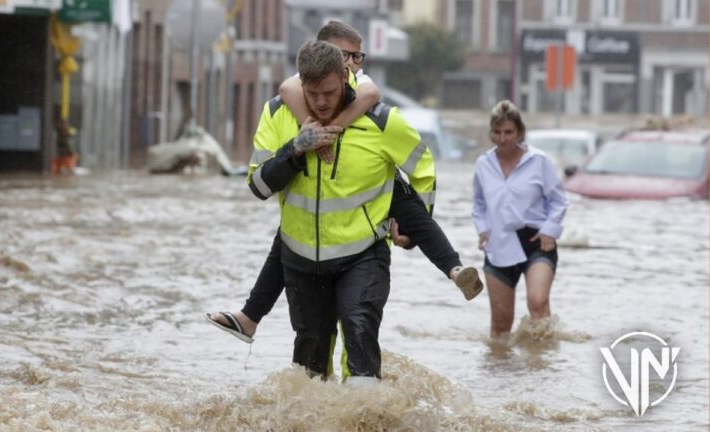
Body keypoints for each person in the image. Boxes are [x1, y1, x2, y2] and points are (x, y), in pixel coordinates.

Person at [206, 22, 481, 347]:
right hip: (308, 240)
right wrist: (304, 138)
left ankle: (453, 267)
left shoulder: (366, 96)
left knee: (411, 211)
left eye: (357, 56)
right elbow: (288, 90)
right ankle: (251, 315)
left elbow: (370, 96)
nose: (354, 62)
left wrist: (331, 129)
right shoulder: (293, 95)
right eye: (346, 54)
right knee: (286, 246)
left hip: (371, 203)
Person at [241, 40, 447, 383]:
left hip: (362, 253)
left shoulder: (379, 120)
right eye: (313, 93)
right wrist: (296, 150)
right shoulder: (278, 113)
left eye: (329, 93)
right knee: (309, 361)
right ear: (300, 84)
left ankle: (364, 412)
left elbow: (423, 167)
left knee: (360, 329)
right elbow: (259, 186)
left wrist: (414, 222)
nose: (322, 102)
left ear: (345, 77)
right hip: (302, 259)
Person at [472, 100, 567, 340]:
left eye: (509, 132)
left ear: (520, 132)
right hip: (499, 245)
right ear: (491, 134)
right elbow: (479, 204)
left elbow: (558, 200)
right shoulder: (483, 164)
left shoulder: (539, 161)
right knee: (501, 325)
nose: (503, 138)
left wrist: (549, 231)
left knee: (538, 302)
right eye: (497, 132)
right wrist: (482, 229)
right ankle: (502, 374)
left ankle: (542, 367)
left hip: (536, 241)